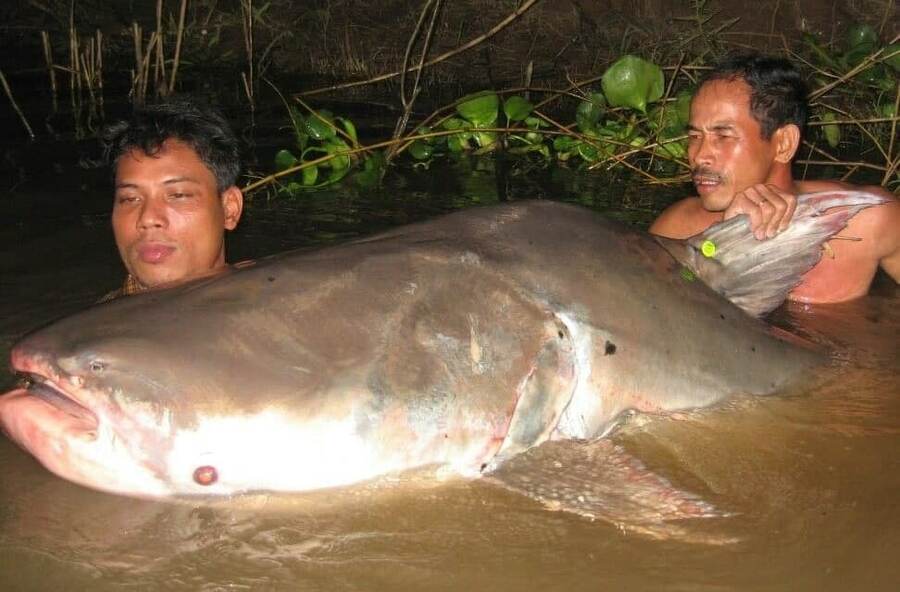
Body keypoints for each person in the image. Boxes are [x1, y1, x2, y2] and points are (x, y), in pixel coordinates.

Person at [650, 52, 899, 304]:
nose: (699, 155)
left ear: (783, 144)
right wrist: (717, 246)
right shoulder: (677, 229)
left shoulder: (868, 220)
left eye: (723, 136)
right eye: (694, 137)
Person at [100, 97, 244, 300]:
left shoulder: (277, 304)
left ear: (230, 209)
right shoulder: (89, 329)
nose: (148, 219)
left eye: (178, 195)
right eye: (130, 199)